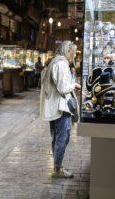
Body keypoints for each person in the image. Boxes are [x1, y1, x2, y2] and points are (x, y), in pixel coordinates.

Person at [40, 41, 81, 178]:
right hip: (60, 108)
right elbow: (63, 87)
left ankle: (57, 167)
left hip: (54, 107)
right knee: (62, 138)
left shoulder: (55, 62)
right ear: (68, 51)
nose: (73, 56)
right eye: (73, 53)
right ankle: (58, 169)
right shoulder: (61, 64)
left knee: (57, 138)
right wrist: (74, 84)